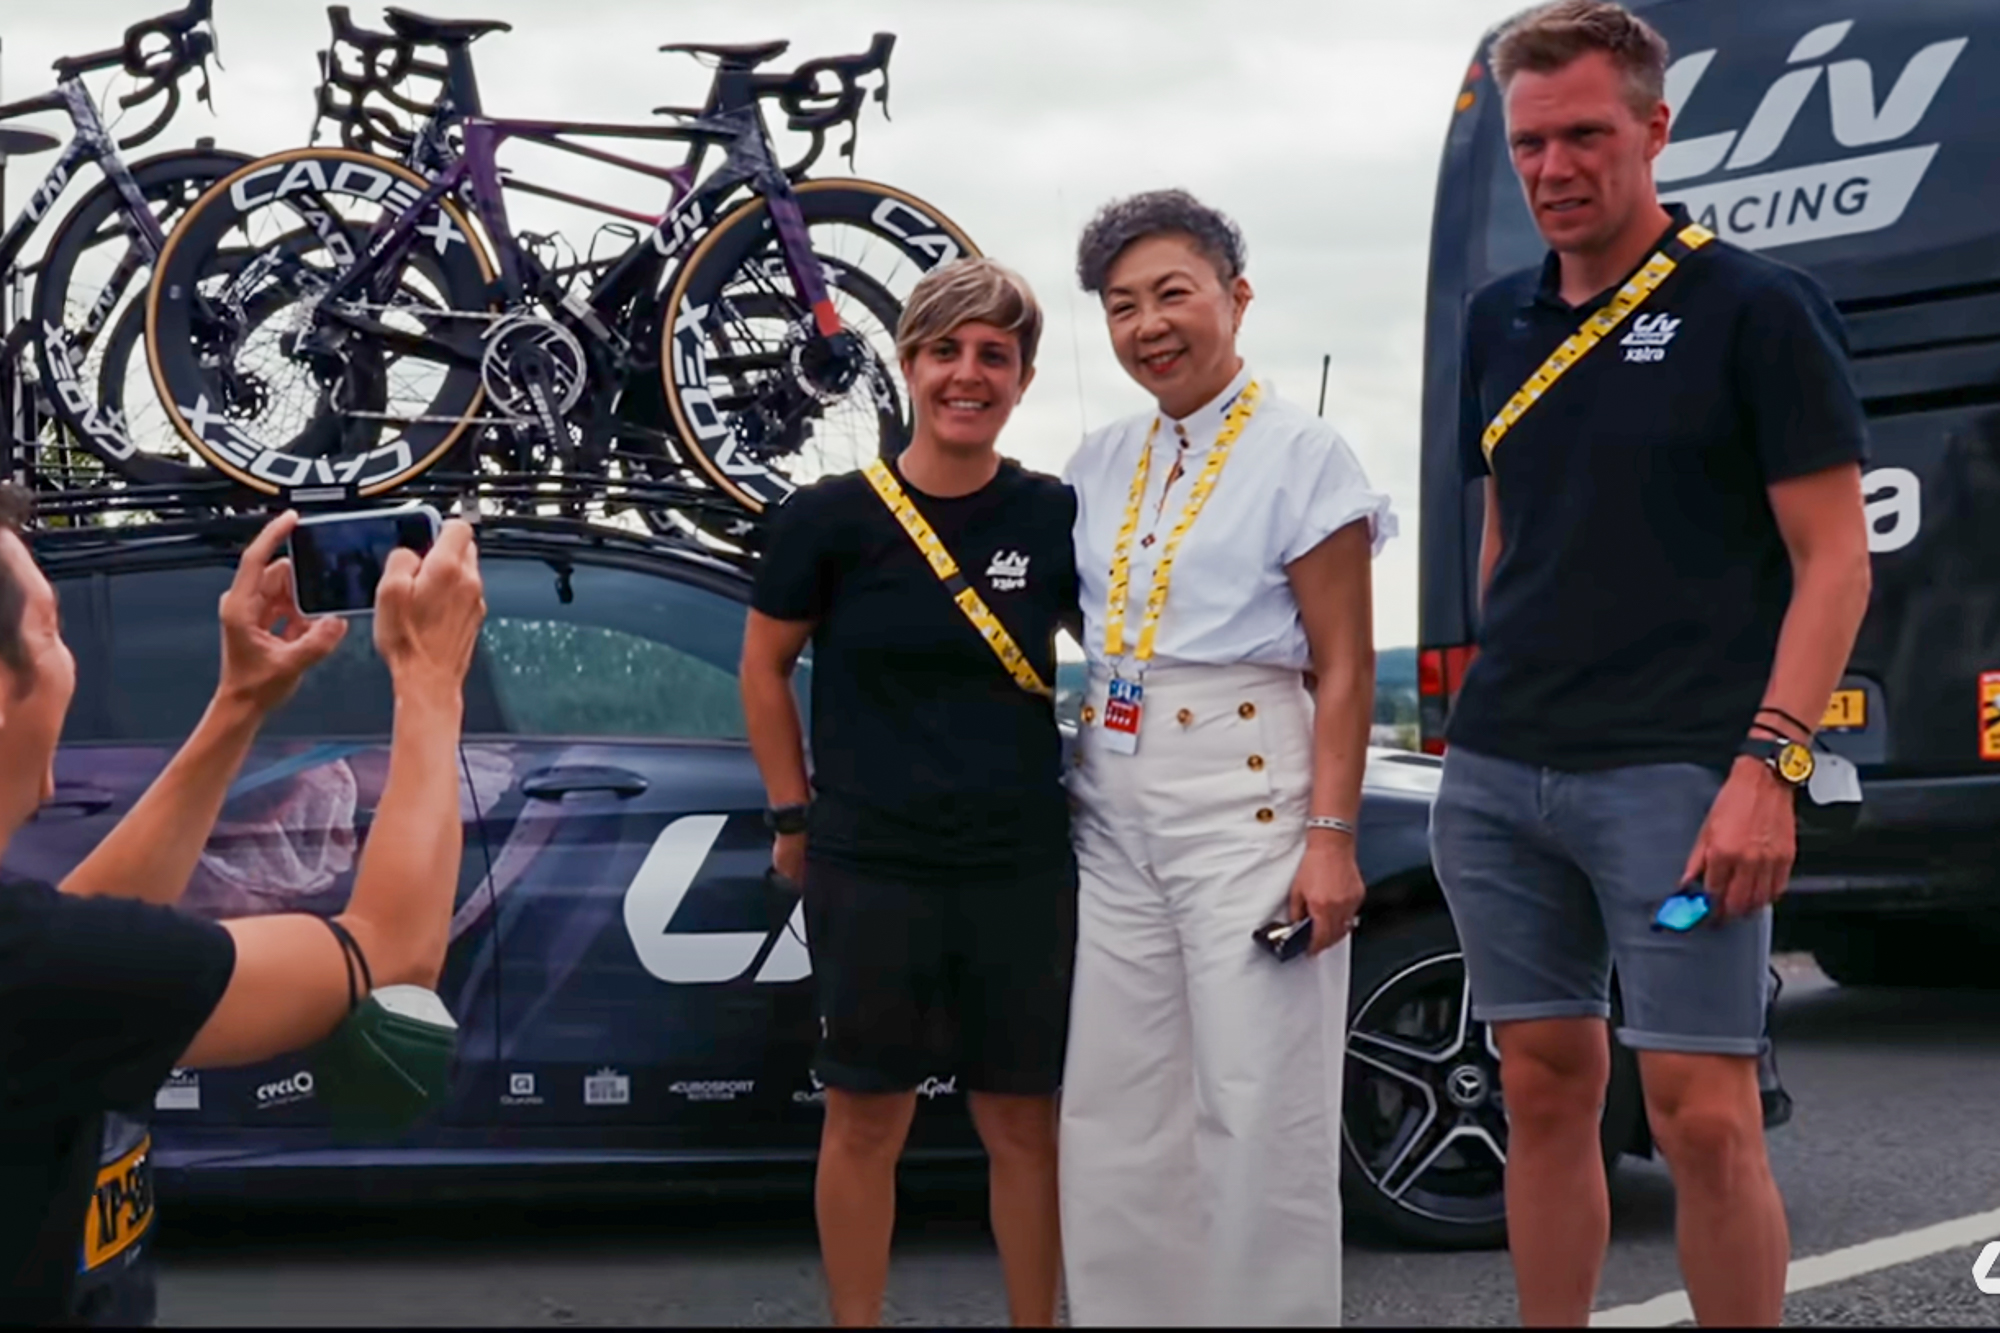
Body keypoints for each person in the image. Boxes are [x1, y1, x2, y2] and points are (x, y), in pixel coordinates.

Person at [1430, 2, 1873, 1326]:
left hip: (1679, 793)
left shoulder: (1758, 307)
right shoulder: (1499, 321)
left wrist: (1767, 768)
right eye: (1529, 145)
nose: (1555, 169)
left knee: (1701, 1116)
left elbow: (1837, 559)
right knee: (1542, 1089)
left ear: (1655, 129)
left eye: (1584, 136)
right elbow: (1508, 523)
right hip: (1504, 785)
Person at [0, 492, 486, 1326]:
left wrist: (240, 703)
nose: (65, 657)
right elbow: (391, 952)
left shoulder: (35, 969)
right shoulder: (29, 966)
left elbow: (85, 938)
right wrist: (431, 682)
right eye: (49, 630)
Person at [1057, 190, 1395, 1327]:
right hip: (1112, 799)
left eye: (1171, 294)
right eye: (1120, 306)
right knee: (1114, 1107)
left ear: (1233, 298)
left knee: (1259, 1104)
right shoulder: (1097, 460)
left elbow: (1343, 667)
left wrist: (1331, 841)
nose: (1147, 324)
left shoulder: (1305, 455)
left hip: (1250, 799)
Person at [739, 257, 1078, 1328]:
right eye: (944, 351)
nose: (965, 375)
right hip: (871, 861)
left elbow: (1133, 649)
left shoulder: (1053, 514)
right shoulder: (828, 517)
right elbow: (761, 668)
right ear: (908, 364)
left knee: (1022, 1123)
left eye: (993, 356)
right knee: (864, 1119)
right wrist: (793, 813)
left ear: (1021, 379)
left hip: (1017, 864)